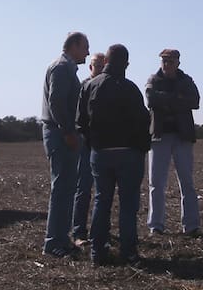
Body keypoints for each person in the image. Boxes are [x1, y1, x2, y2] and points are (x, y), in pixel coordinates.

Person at [76, 43, 151, 267]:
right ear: (126, 64)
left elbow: (81, 122)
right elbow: (143, 121)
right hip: (129, 153)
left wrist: (93, 144)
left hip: (100, 153)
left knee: (101, 201)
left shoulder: (90, 86)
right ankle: (128, 252)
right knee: (128, 206)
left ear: (105, 62)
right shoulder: (131, 89)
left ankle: (98, 251)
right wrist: (141, 147)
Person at [41, 31, 90, 258]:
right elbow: (56, 103)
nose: (88, 53)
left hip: (63, 134)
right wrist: (68, 131)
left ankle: (61, 238)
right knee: (61, 189)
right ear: (74, 46)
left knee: (67, 188)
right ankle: (53, 243)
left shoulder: (67, 68)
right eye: (85, 47)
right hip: (61, 135)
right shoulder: (61, 68)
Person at [145, 48, 201, 235]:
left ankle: (191, 225)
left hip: (182, 136)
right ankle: (156, 225)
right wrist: (178, 99)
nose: (167, 64)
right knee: (156, 183)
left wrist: (167, 100)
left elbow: (195, 101)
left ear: (178, 62)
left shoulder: (187, 81)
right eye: (164, 61)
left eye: (170, 61)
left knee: (187, 182)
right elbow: (151, 99)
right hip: (159, 136)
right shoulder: (153, 80)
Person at [71, 51, 107, 246]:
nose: (98, 69)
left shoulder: (110, 86)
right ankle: (78, 232)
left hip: (103, 146)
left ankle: (100, 231)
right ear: (90, 67)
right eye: (95, 66)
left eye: (102, 66)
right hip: (86, 145)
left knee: (103, 191)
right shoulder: (83, 86)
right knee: (83, 189)